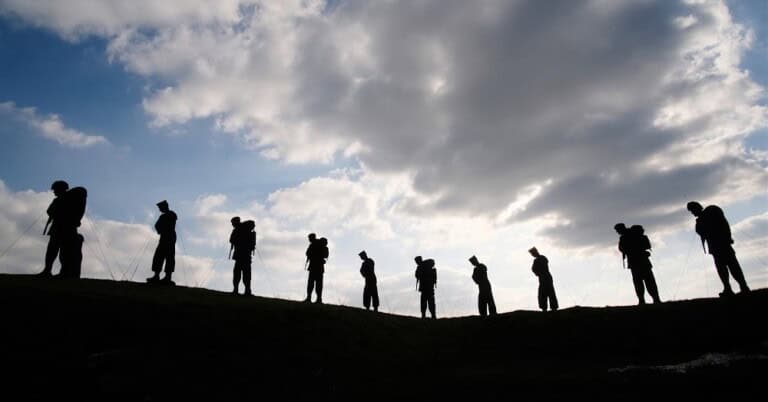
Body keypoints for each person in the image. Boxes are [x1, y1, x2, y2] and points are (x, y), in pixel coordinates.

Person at [687, 201, 750, 297]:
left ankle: (743, 286)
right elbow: (700, 232)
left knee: (732, 266)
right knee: (723, 268)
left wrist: (727, 237)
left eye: (692, 210)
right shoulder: (701, 220)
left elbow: (723, 224)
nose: (693, 213)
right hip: (716, 247)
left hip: (722, 244)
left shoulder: (711, 212)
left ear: (697, 208)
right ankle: (729, 288)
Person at [39, 180, 69, 277]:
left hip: (65, 228)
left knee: (63, 252)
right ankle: (47, 270)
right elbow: (49, 211)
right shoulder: (56, 200)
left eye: (55, 189)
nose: (54, 192)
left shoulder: (68, 200)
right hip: (56, 228)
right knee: (51, 250)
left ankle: (63, 272)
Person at [147, 200, 177, 285]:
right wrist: (160, 230)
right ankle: (156, 275)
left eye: (160, 208)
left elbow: (170, 225)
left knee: (169, 256)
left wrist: (162, 228)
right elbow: (157, 225)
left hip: (170, 237)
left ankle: (168, 277)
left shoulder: (172, 214)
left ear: (165, 206)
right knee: (158, 255)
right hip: (164, 237)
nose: (160, 209)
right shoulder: (162, 216)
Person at [528, 247, 558, 312]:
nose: (532, 255)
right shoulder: (542, 258)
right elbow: (534, 269)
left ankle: (549, 308)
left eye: (532, 253)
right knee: (546, 292)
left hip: (545, 277)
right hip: (545, 277)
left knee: (545, 292)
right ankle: (549, 307)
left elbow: (534, 269)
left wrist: (538, 273)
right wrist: (538, 273)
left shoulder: (540, 259)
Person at [232, 220, 256, 296]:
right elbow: (252, 244)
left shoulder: (238, 230)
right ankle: (247, 291)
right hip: (246, 256)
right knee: (246, 275)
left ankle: (236, 290)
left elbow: (231, 240)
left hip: (239, 256)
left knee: (237, 274)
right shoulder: (250, 232)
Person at [304, 233, 328, 303]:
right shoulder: (319, 244)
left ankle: (311, 298)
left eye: (309, 238)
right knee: (318, 284)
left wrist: (313, 256)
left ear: (312, 238)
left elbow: (307, 253)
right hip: (319, 267)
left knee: (312, 283)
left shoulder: (313, 244)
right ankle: (318, 299)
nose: (309, 240)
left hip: (314, 266)